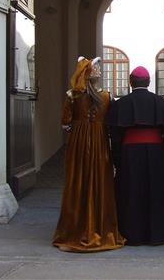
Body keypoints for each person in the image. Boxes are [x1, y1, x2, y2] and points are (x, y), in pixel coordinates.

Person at [53, 56, 125, 252]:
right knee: (100, 182)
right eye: (97, 68)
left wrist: (78, 128)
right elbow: (111, 123)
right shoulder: (107, 97)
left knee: (78, 182)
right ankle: (101, 230)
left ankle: (74, 230)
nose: (100, 71)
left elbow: (65, 122)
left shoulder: (72, 95)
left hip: (78, 143)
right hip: (100, 142)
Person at [106, 66, 164, 246]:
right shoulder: (161, 102)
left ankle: (132, 234)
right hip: (156, 154)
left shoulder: (121, 104)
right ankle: (158, 234)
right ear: (149, 82)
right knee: (156, 193)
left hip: (129, 155)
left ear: (130, 82)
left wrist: (117, 159)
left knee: (131, 192)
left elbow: (115, 137)